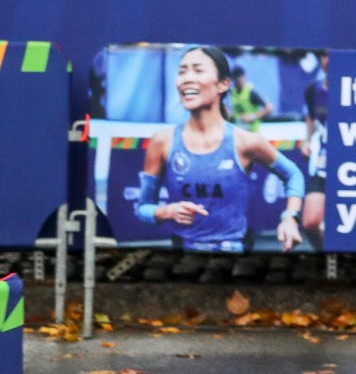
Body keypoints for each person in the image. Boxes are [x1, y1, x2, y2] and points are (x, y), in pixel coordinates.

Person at [134, 46, 304, 253]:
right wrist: (166, 211)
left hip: (235, 255)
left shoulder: (246, 142)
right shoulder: (162, 142)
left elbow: (293, 174)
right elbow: (142, 208)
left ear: (223, 84)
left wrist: (289, 218)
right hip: (182, 258)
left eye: (198, 70)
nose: (187, 78)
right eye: (182, 71)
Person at [300, 50, 328, 248]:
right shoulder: (312, 90)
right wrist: (307, 140)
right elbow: (310, 119)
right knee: (310, 223)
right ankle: (323, 257)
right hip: (323, 164)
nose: (328, 59)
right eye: (324, 54)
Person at [229, 66, 273, 132]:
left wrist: (252, 117)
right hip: (240, 131)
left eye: (240, 79)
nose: (238, 82)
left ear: (244, 77)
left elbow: (269, 108)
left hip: (253, 131)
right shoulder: (232, 92)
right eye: (236, 80)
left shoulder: (251, 92)